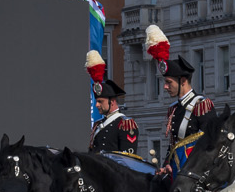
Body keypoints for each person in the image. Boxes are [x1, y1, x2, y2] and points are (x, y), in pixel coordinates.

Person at [146, 25, 214, 155]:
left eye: (169, 82)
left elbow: (209, 145)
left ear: (182, 81)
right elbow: (173, 145)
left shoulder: (201, 105)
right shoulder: (175, 109)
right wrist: (166, 165)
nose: (165, 87)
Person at [85, 51, 139, 154]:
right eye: (97, 101)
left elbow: (128, 158)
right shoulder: (98, 124)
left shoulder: (125, 123)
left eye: (100, 101)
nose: (97, 105)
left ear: (112, 101)